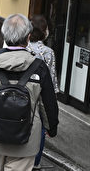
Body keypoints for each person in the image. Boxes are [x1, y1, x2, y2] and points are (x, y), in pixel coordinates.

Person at [0, 14, 59, 170]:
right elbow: (48, 103)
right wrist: (52, 126)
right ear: (28, 37)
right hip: (28, 136)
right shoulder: (38, 67)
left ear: (5, 35)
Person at [26, 15, 59, 170]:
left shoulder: (22, 47)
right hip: (40, 95)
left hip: (22, 92)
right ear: (45, 31)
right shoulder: (48, 52)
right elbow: (51, 83)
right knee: (39, 127)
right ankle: (35, 162)